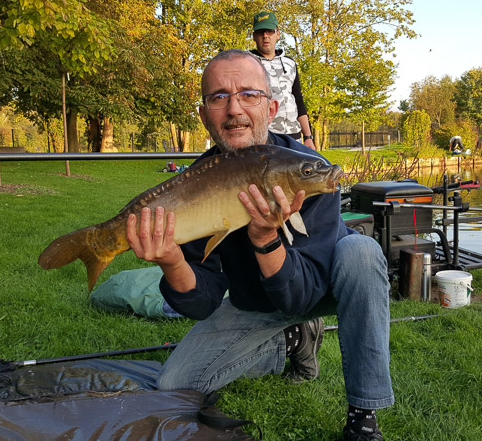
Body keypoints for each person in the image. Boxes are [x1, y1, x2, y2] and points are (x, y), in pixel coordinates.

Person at [126, 49, 393, 440]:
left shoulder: (308, 170)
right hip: (251, 303)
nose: (234, 109)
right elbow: (201, 303)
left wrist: (266, 239)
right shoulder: (195, 184)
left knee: (361, 251)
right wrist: (170, 261)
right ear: (204, 115)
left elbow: (300, 296)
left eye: (248, 94)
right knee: (174, 386)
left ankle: (363, 416)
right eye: (218, 97)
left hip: (321, 286)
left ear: (271, 108)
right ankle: (290, 341)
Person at [249, 11, 316, 150]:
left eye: (269, 31)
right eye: (261, 32)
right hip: (266, 137)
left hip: (294, 136)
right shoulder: (247, 63)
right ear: (254, 36)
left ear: (278, 34)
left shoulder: (290, 63)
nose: (265, 36)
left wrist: (308, 137)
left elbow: (298, 99)